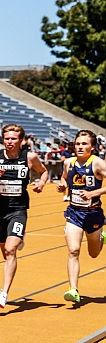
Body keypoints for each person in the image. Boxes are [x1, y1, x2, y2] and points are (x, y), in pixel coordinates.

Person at [0, 124, 48, 308]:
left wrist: (41, 183)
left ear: (21, 140)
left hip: (19, 208)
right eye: (7, 138)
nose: (9, 142)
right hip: (0, 208)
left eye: (13, 138)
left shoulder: (29, 157)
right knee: (5, 250)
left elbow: (44, 171)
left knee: (10, 249)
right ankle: (17, 239)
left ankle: (4, 293)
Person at [55, 130, 106, 303]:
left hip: (93, 214)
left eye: (84, 144)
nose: (80, 147)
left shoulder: (98, 164)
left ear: (92, 147)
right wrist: (62, 186)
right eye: (78, 144)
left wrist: (94, 193)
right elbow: (64, 179)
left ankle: (101, 239)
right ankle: (73, 289)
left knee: (93, 254)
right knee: (73, 250)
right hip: (74, 212)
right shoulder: (69, 163)